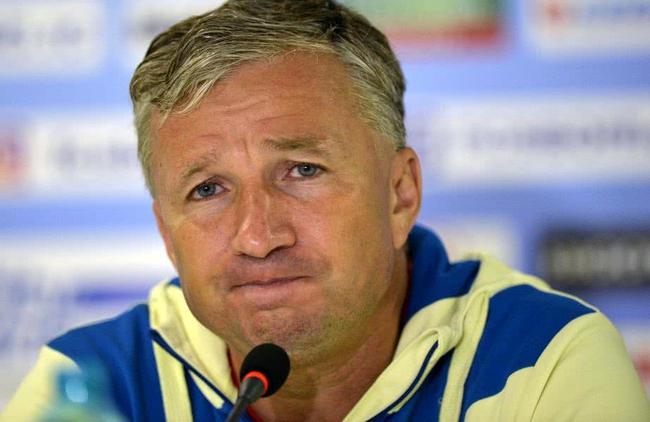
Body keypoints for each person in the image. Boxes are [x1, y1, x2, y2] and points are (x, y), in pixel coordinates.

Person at [2, 1, 649, 421]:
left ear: (399, 194)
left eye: (302, 170)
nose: (258, 237)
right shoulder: (91, 386)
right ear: (167, 236)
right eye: (208, 190)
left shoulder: (544, 364)